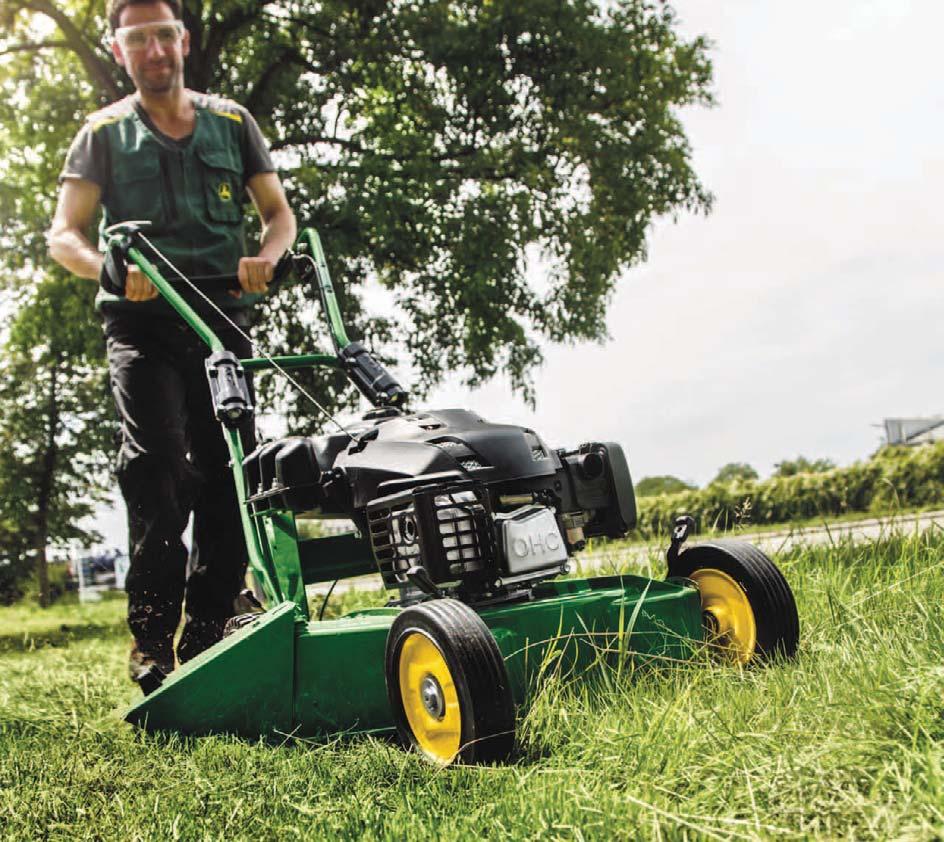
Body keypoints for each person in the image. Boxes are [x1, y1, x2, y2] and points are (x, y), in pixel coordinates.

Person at [47, 0, 296, 681]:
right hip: (143, 323)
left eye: (164, 34)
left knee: (227, 468)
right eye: (138, 39)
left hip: (221, 315)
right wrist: (108, 269)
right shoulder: (101, 134)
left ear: (182, 40)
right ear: (121, 50)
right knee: (156, 462)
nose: (155, 49)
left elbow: (278, 216)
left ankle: (211, 627)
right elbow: (64, 233)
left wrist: (267, 258)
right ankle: (153, 636)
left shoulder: (232, 123)